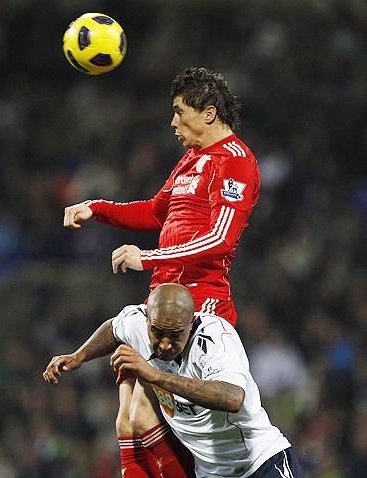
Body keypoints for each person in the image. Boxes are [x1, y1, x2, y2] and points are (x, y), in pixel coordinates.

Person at [63, 66, 260, 476]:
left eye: (179, 111)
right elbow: (155, 211)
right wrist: (96, 208)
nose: (172, 122)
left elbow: (220, 238)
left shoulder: (237, 163)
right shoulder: (191, 160)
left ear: (208, 113)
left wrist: (148, 258)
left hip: (197, 313)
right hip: (160, 303)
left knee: (141, 414)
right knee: (127, 419)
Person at [43, 283, 304, 478]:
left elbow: (233, 397)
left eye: (175, 335)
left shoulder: (216, 339)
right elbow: (114, 327)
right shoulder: (140, 323)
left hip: (259, 464)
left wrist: (155, 375)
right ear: (147, 319)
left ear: (191, 323)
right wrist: (79, 356)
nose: (165, 344)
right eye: (157, 333)